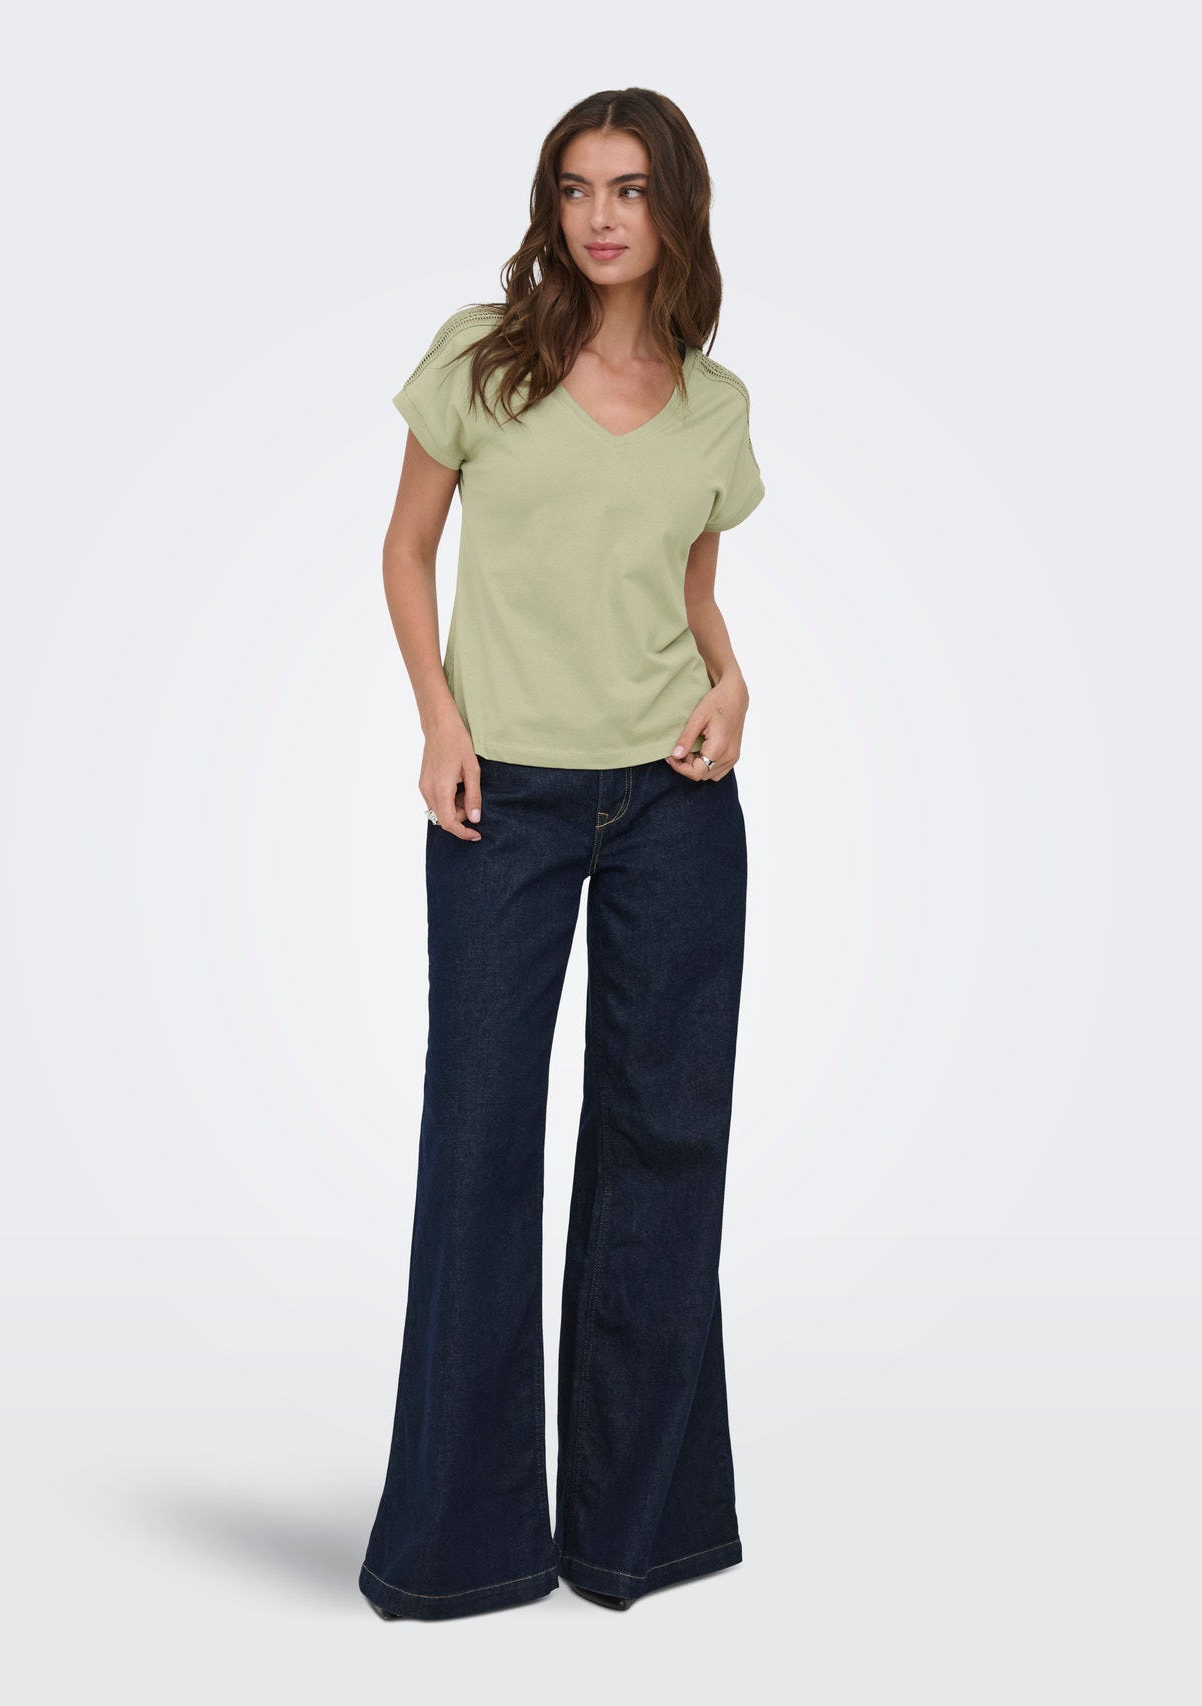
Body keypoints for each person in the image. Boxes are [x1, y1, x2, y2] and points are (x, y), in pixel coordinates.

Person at [359, 87, 765, 1622]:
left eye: (631, 188)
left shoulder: (714, 403)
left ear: (674, 210)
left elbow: (693, 595)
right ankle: (462, 1547)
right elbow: (406, 548)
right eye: (579, 188)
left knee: (663, 1149)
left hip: (674, 799)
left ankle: (633, 1535)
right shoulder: (483, 357)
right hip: (504, 799)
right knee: (479, 1144)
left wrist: (734, 685)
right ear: (553, 207)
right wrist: (438, 719)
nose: (602, 215)